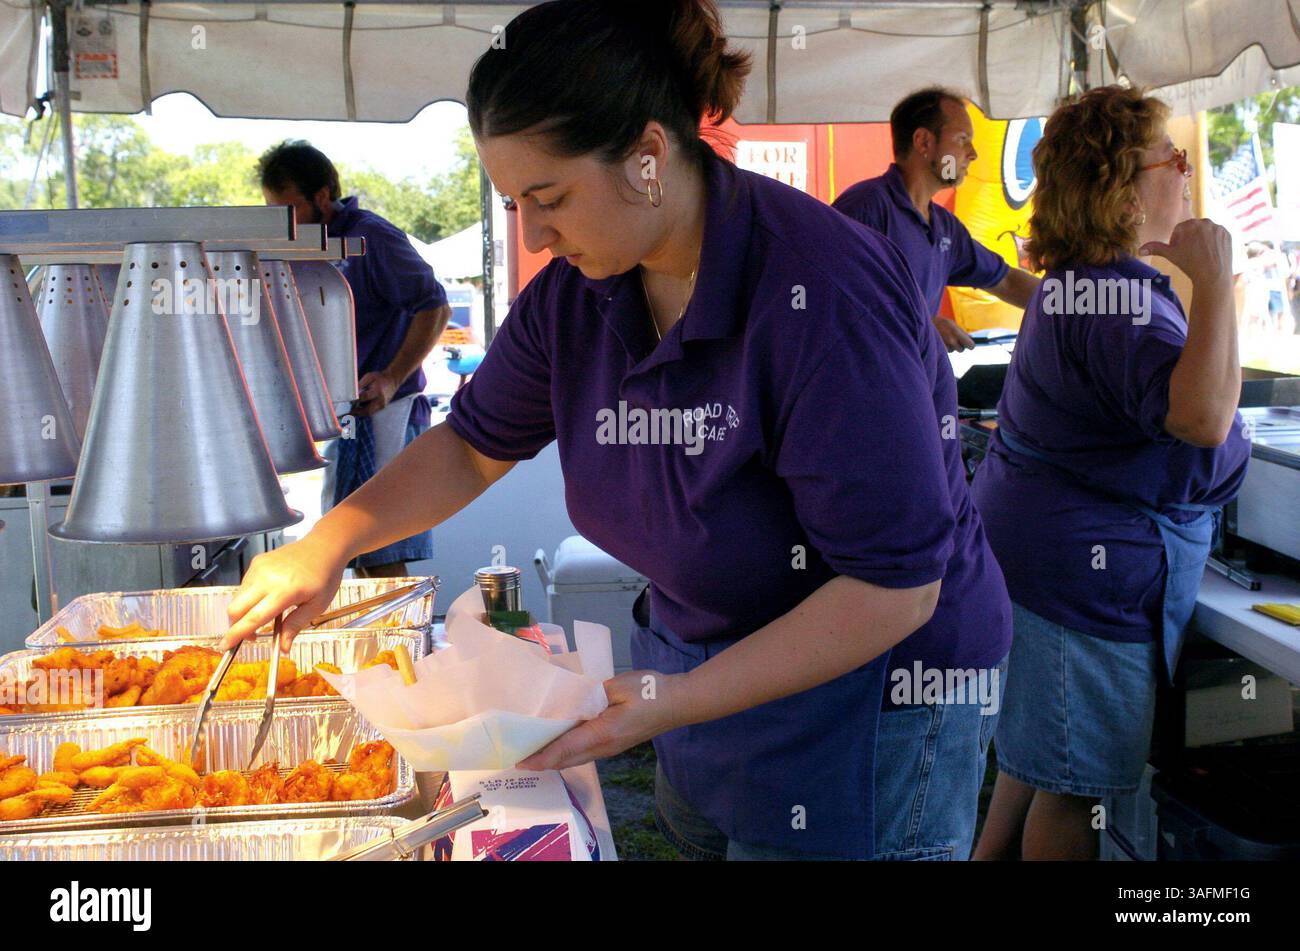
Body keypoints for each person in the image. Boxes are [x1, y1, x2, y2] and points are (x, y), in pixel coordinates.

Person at [224, 0, 1007, 861]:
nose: (534, 233)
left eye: (549, 198)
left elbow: (895, 587)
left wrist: (673, 698)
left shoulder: (822, 292)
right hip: (697, 664)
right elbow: (472, 444)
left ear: (647, 158)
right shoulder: (577, 292)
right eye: (514, 202)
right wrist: (329, 542)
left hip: (870, 690)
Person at [969, 86, 1250, 860]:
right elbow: (1202, 421)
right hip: (1083, 586)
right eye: (1176, 161)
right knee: (1074, 790)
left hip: (1039, 566)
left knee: (1038, 758)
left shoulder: (1082, 284)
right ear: (1123, 186)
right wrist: (1217, 279)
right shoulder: (1119, 300)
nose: (1187, 175)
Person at [258, 141, 452, 577]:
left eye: (289, 209)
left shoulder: (372, 237)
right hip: (345, 414)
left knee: (379, 545)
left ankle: (403, 641)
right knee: (351, 546)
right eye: (273, 211)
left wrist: (390, 376)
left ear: (323, 197)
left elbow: (435, 307)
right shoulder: (303, 244)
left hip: (391, 411)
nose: (283, 222)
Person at [833, 88, 1039, 351]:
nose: (973, 153)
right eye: (962, 139)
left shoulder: (944, 227)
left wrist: (1077, 303)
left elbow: (1006, 280)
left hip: (916, 385)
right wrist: (924, 327)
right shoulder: (866, 208)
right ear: (924, 143)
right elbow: (837, 302)